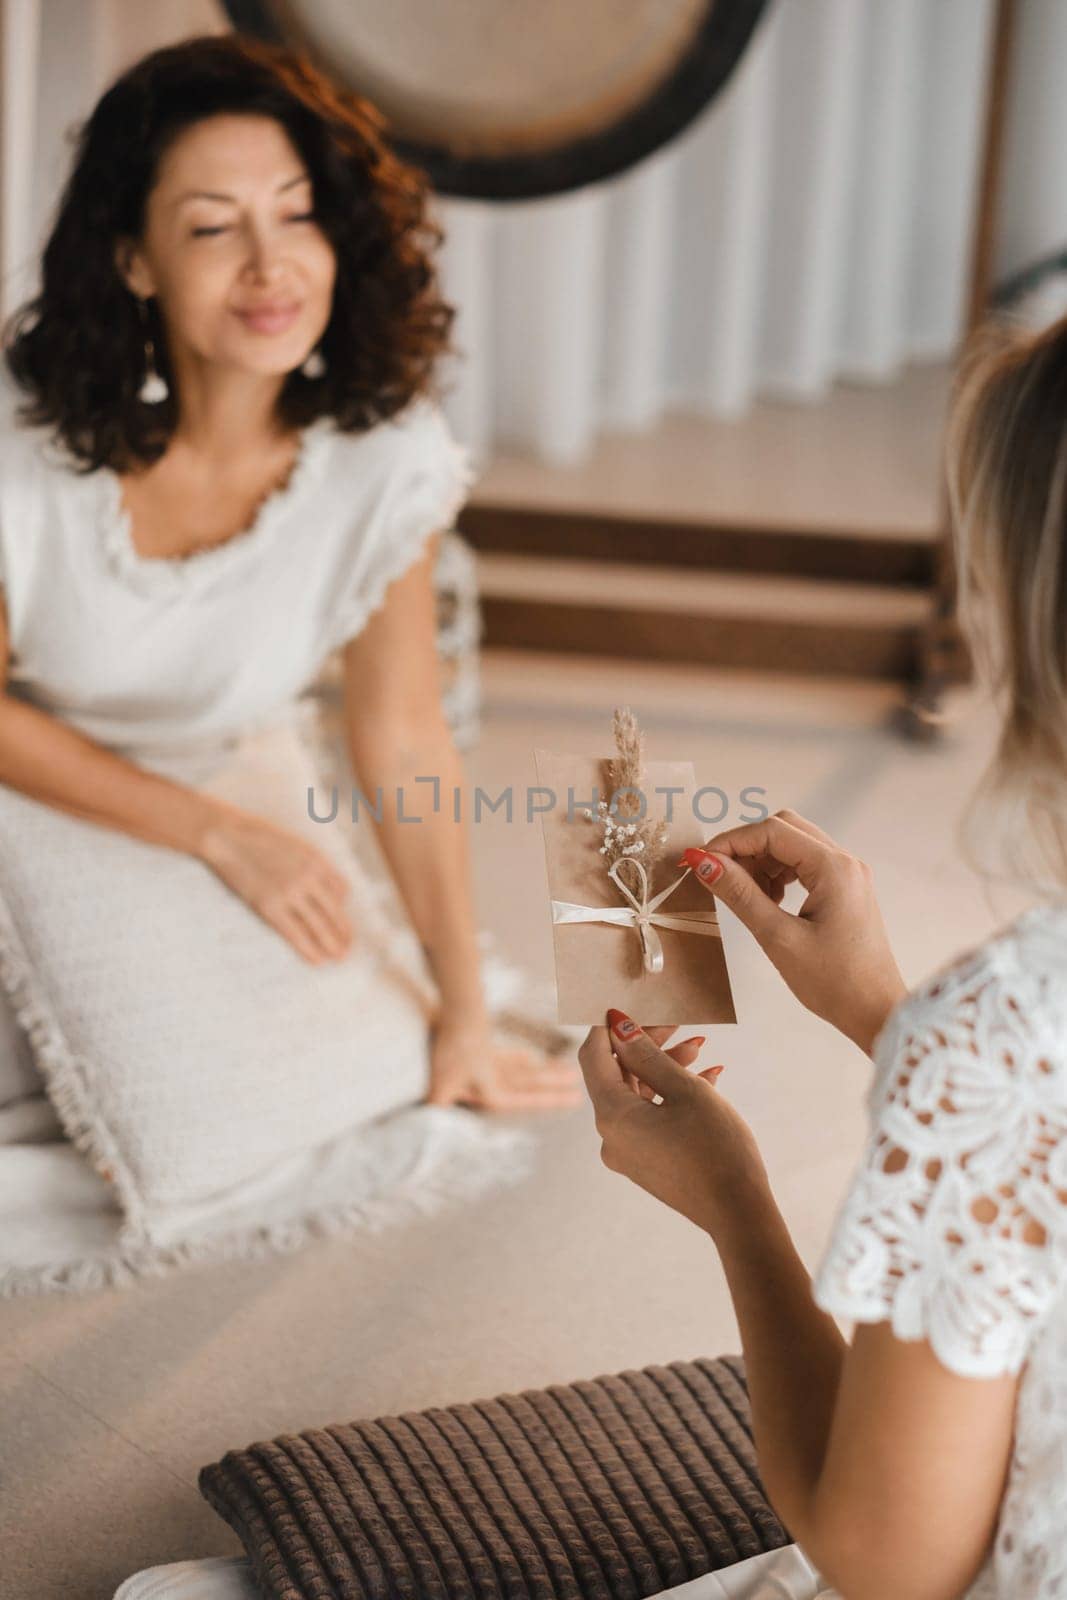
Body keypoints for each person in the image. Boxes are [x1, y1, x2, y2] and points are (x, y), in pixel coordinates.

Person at [0, 32, 580, 1117]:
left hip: (224, 777)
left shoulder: (380, 450)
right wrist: (216, 836)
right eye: (213, 228)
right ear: (133, 260)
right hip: (24, 781)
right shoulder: (19, 438)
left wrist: (461, 1007)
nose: (270, 266)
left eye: (297, 211)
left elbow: (403, 738)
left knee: (349, 1070)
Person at [578, 314, 1067, 1600]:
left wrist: (732, 1198)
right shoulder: (992, 1037)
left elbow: (884, 1561)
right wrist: (880, 1014)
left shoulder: (1008, 1025)